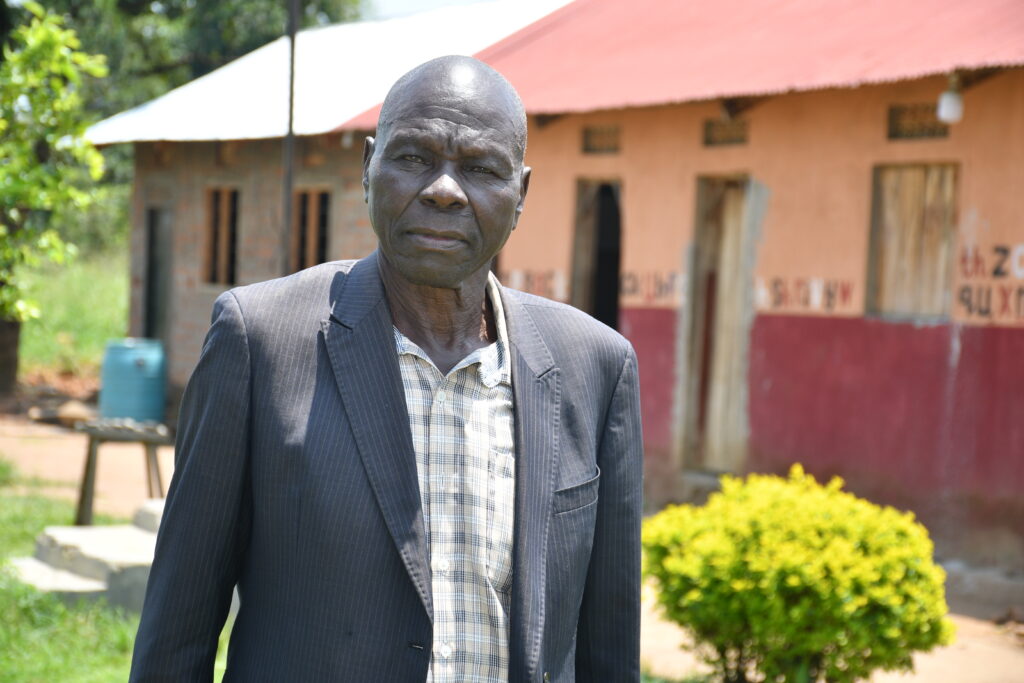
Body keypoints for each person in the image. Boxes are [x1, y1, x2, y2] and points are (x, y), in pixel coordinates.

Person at [129, 55, 643, 683]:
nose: (444, 189)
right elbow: (177, 632)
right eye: (413, 158)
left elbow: (608, 650)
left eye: (481, 168)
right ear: (368, 168)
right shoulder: (260, 341)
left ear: (521, 196)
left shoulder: (595, 364)